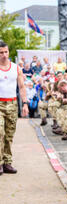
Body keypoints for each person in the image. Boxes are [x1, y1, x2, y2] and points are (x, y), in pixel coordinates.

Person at [0, 41, 29, 175]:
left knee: (9, 135)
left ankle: (7, 162)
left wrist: (25, 103)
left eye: (6, 52)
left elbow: (22, 87)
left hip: (12, 104)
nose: (4, 55)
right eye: (1, 53)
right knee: (0, 133)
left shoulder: (16, 68)